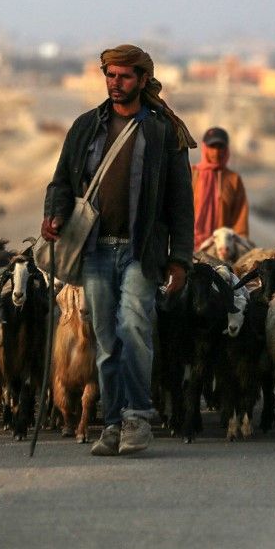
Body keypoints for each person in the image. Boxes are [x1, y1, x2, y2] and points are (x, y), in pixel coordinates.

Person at [42, 44, 195, 456]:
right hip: (94, 250)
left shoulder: (163, 132)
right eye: (110, 75)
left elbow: (181, 203)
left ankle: (137, 418)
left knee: (134, 328)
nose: (115, 82)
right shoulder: (86, 126)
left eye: (124, 76)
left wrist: (180, 259)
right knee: (106, 339)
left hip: (140, 252)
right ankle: (111, 423)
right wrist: (54, 216)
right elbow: (60, 183)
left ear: (143, 79)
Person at [192, 126, 249, 250]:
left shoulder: (233, 179)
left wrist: (240, 249)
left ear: (227, 149)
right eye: (212, 147)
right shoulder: (192, 174)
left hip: (222, 250)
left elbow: (240, 221)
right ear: (204, 148)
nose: (216, 152)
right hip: (190, 247)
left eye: (220, 147)